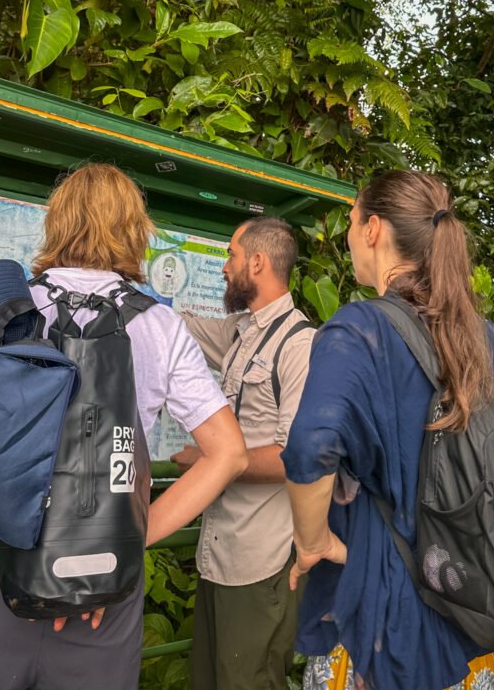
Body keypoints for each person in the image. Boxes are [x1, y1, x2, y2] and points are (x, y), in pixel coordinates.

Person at [0, 162, 247, 690]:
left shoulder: (4, 313)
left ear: (58, 223)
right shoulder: (161, 327)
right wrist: (130, 544)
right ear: (136, 232)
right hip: (102, 582)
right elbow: (229, 454)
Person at [281, 170, 494, 690]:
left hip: (381, 634)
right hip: (473, 631)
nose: (348, 234)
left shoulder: (358, 332)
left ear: (373, 229)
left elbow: (310, 447)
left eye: (351, 219)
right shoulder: (486, 341)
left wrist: (313, 542)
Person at [172, 216, 315, 690]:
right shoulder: (241, 333)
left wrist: (215, 461)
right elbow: (179, 329)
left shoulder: (299, 345)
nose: (224, 267)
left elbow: (295, 457)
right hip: (219, 553)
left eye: (231, 254)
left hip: (261, 560)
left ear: (257, 262)